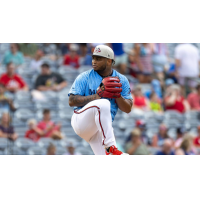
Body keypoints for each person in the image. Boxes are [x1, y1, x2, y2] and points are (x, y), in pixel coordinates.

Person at [68, 45, 133, 155]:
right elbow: (71, 101)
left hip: (99, 130)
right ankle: (110, 146)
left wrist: (117, 95)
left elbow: (128, 109)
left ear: (108, 61)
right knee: (103, 103)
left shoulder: (122, 80)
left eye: (98, 59)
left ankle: (110, 150)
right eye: (93, 58)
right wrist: (96, 96)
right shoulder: (84, 77)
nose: (94, 61)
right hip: (81, 120)